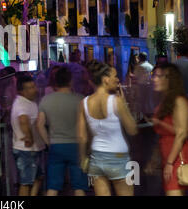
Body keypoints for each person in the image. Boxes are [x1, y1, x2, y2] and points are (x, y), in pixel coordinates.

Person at [77, 60, 138, 196]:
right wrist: (125, 105)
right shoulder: (116, 101)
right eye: (115, 76)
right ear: (105, 79)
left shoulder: (84, 103)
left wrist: (82, 159)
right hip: (118, 157)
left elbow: (82, 136)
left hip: (97, 157)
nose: (117, 80)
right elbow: (132, 129)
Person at [37, 66, 88, 196]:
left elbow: (40, 124)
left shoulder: (46, 100)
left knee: (53, 186)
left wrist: (48, 142)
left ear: (55, 82)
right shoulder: (80, 99)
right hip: (76, 146)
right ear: (71, 81)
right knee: (79, 186)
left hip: (56, 145)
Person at [146, 64, 188, 196]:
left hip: (176, 156)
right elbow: (165, 133)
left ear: (170, 79)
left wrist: (169, 162)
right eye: (153, 75)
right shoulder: (165, 100)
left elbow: (183, 132)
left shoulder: (179, 100)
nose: (154, 79)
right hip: (167, 155)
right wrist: (156, 158)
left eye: (159, 76)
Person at [11, 75, 45, 196]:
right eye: (30, 87)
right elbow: (23, 120)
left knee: (37, 178)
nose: (34, 89)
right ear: (22, 91)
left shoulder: (30, 102)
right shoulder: (21, 104)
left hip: (33, 149)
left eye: (34, 86)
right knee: (26, 182)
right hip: (25, 149)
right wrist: (29, 137)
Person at [133, 52, 154, 116]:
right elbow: (152, 75)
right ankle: (150, 114)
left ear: (140, 58)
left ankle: (144, 116)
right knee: (149, 100)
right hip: (150, 85)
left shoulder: (138, 66)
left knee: (142, 101)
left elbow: (135, 76)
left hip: (141, 86)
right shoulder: (151, 66)